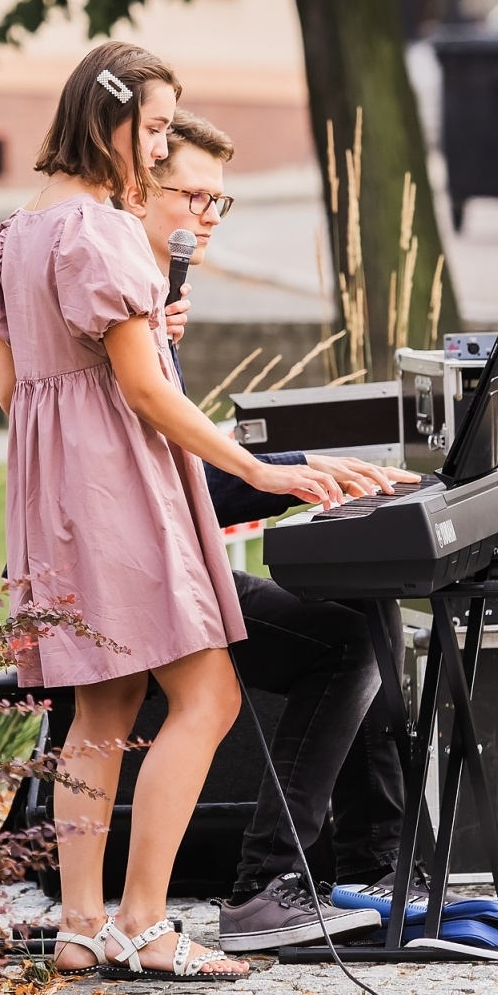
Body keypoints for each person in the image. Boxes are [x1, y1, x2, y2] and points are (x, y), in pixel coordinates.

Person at [0, 42, 346, 981]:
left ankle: (80, 923)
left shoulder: (17, 232)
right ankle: (147, 923)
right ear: (104, 119)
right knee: (209, 692)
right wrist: (259, 473)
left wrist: (118, 342)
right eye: (148, 130)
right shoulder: (100, 231)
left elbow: (12, 383)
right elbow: (145, 392)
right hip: (119, 492)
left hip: (52, 495)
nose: (154, 151)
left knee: (101, 706)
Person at [122, 109, 418, 952]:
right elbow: (178, 495)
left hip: (176, 561)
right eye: (195, 197)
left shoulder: (153, 312)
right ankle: (264, 886)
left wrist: (310, 471)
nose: (207, 218)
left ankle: (376, 864)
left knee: (362, 614)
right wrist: (292, 476)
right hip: (146, 577)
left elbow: (184, 479)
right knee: (342, 641)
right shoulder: (124, 317)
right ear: (138, 191)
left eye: (222, 202)